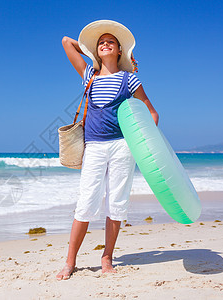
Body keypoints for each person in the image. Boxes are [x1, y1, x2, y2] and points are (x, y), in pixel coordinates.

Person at [57, 20, 159, 280]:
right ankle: (70, 262)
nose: (104, 44)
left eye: (110, 42)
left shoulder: (129, 79)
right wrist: (91, 50)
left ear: (119, 50)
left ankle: (106, 257)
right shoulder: (88, 75)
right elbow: (66, 42)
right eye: (101, 42)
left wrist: (146, 143)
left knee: (117, 203)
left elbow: (151, 112)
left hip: (123, 147)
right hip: (94, 146)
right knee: (85, 203)